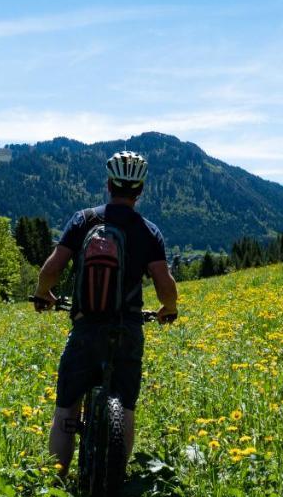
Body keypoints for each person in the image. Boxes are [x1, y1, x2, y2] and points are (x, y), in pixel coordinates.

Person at [33, 150, 179, 475]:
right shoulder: (148, 231)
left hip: (86, 327)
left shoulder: (83, 220)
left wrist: (44, 294)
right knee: (125, 408)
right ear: (140, 190)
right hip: (127, 329)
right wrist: (168, 310)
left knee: (66, 408)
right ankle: (118, 480)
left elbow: (51, 269)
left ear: (108, 184)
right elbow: (164, 284)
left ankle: (54, 486)